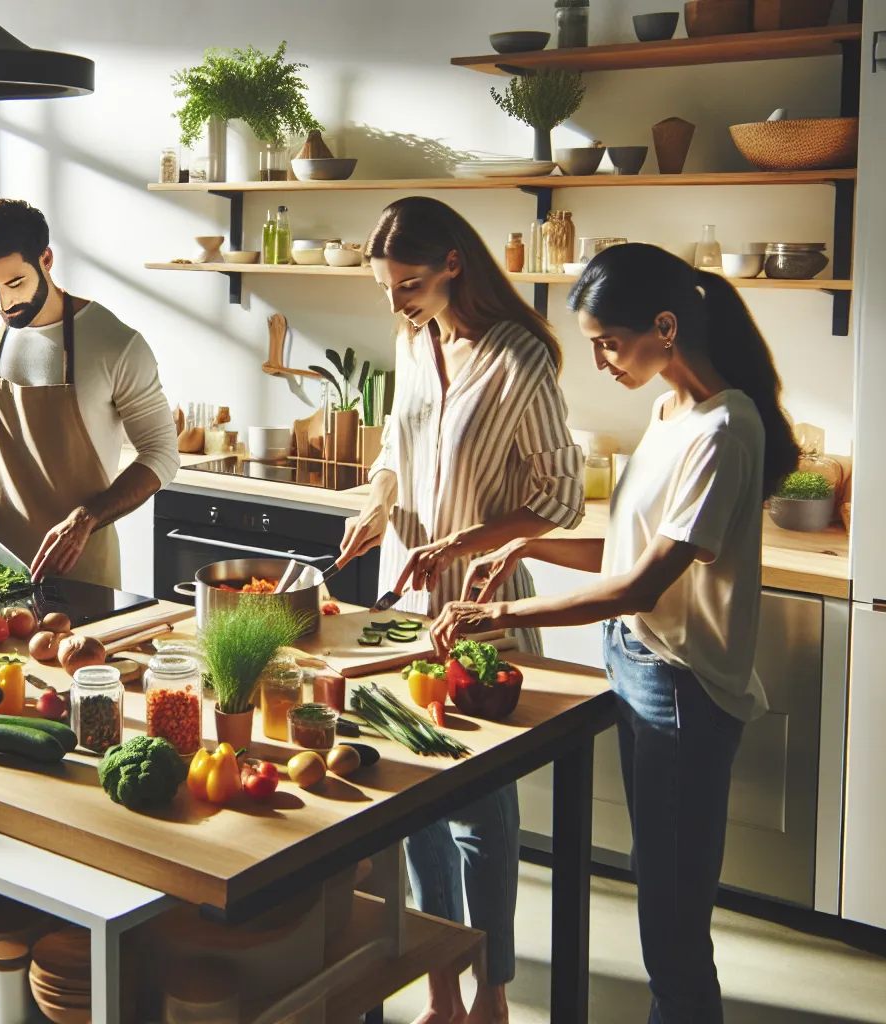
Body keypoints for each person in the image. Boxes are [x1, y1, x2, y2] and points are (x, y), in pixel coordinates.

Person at [434, 243, 798, 1024]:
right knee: (656, 877)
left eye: (607, 341)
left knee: (671, 917)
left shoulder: (725, 429)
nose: (598, 359)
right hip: (635, 660)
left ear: (664, 327)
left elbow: (640, 584)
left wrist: (500, 615)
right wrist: (523, 545)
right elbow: (624, 551)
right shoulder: (668, 410)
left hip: (681, 688)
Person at [334, 196, 585, 1024]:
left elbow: (561, 498)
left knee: (479, 807)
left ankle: (494, 987)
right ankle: (440, 981)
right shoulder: (412, 340)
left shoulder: (521, 358)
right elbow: (393, 455)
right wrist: (378, 506)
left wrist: (463, 542)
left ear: (453, 265)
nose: (395, 301)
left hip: (480, 610)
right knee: (411, 799)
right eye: (385, 287)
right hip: (404, 602)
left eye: (408, 283)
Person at [0, 199, 178, 586]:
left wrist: (87, 518)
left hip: (84, 570)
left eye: (14, 283)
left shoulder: (115, 344)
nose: (2, 302)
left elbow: (162, 452)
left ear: (46, 259)